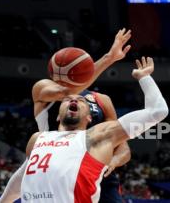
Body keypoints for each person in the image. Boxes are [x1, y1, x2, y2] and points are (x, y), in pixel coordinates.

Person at [0, 57, 168, 202]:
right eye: (67, 100)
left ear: (89, 117)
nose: (74, 99)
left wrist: (144, 77)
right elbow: (23, 175)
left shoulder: (97, 136)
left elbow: (157, 112)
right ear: (57, 115)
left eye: (81, 100)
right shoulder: (38, 138)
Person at [32, 28, 132, 202]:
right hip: (58, 168)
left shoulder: (101, 100)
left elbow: (123, 147)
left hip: (98, 173)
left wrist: (113, 162)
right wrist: (109, 58)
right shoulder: (43, 88)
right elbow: (68, 91)